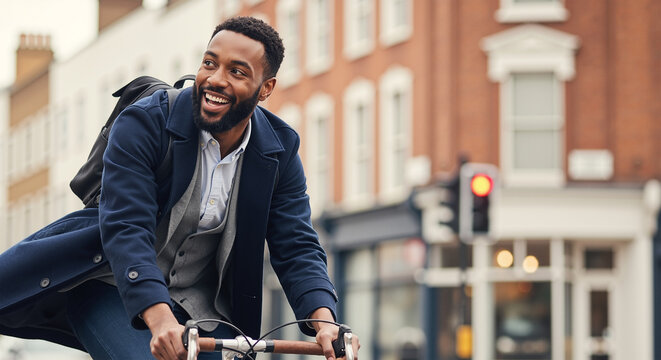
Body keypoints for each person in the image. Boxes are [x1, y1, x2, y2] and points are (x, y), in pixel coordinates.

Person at [0, 16, 358, 360]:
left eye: (237, 71)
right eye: (209, 63)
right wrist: (157, 317)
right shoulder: (144, 122)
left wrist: (324, 322)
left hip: (204, 307)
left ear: (266, 88)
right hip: (114, 288)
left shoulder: (279, 149)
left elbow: (296, 243)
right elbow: (127, 227)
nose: (215, 80)